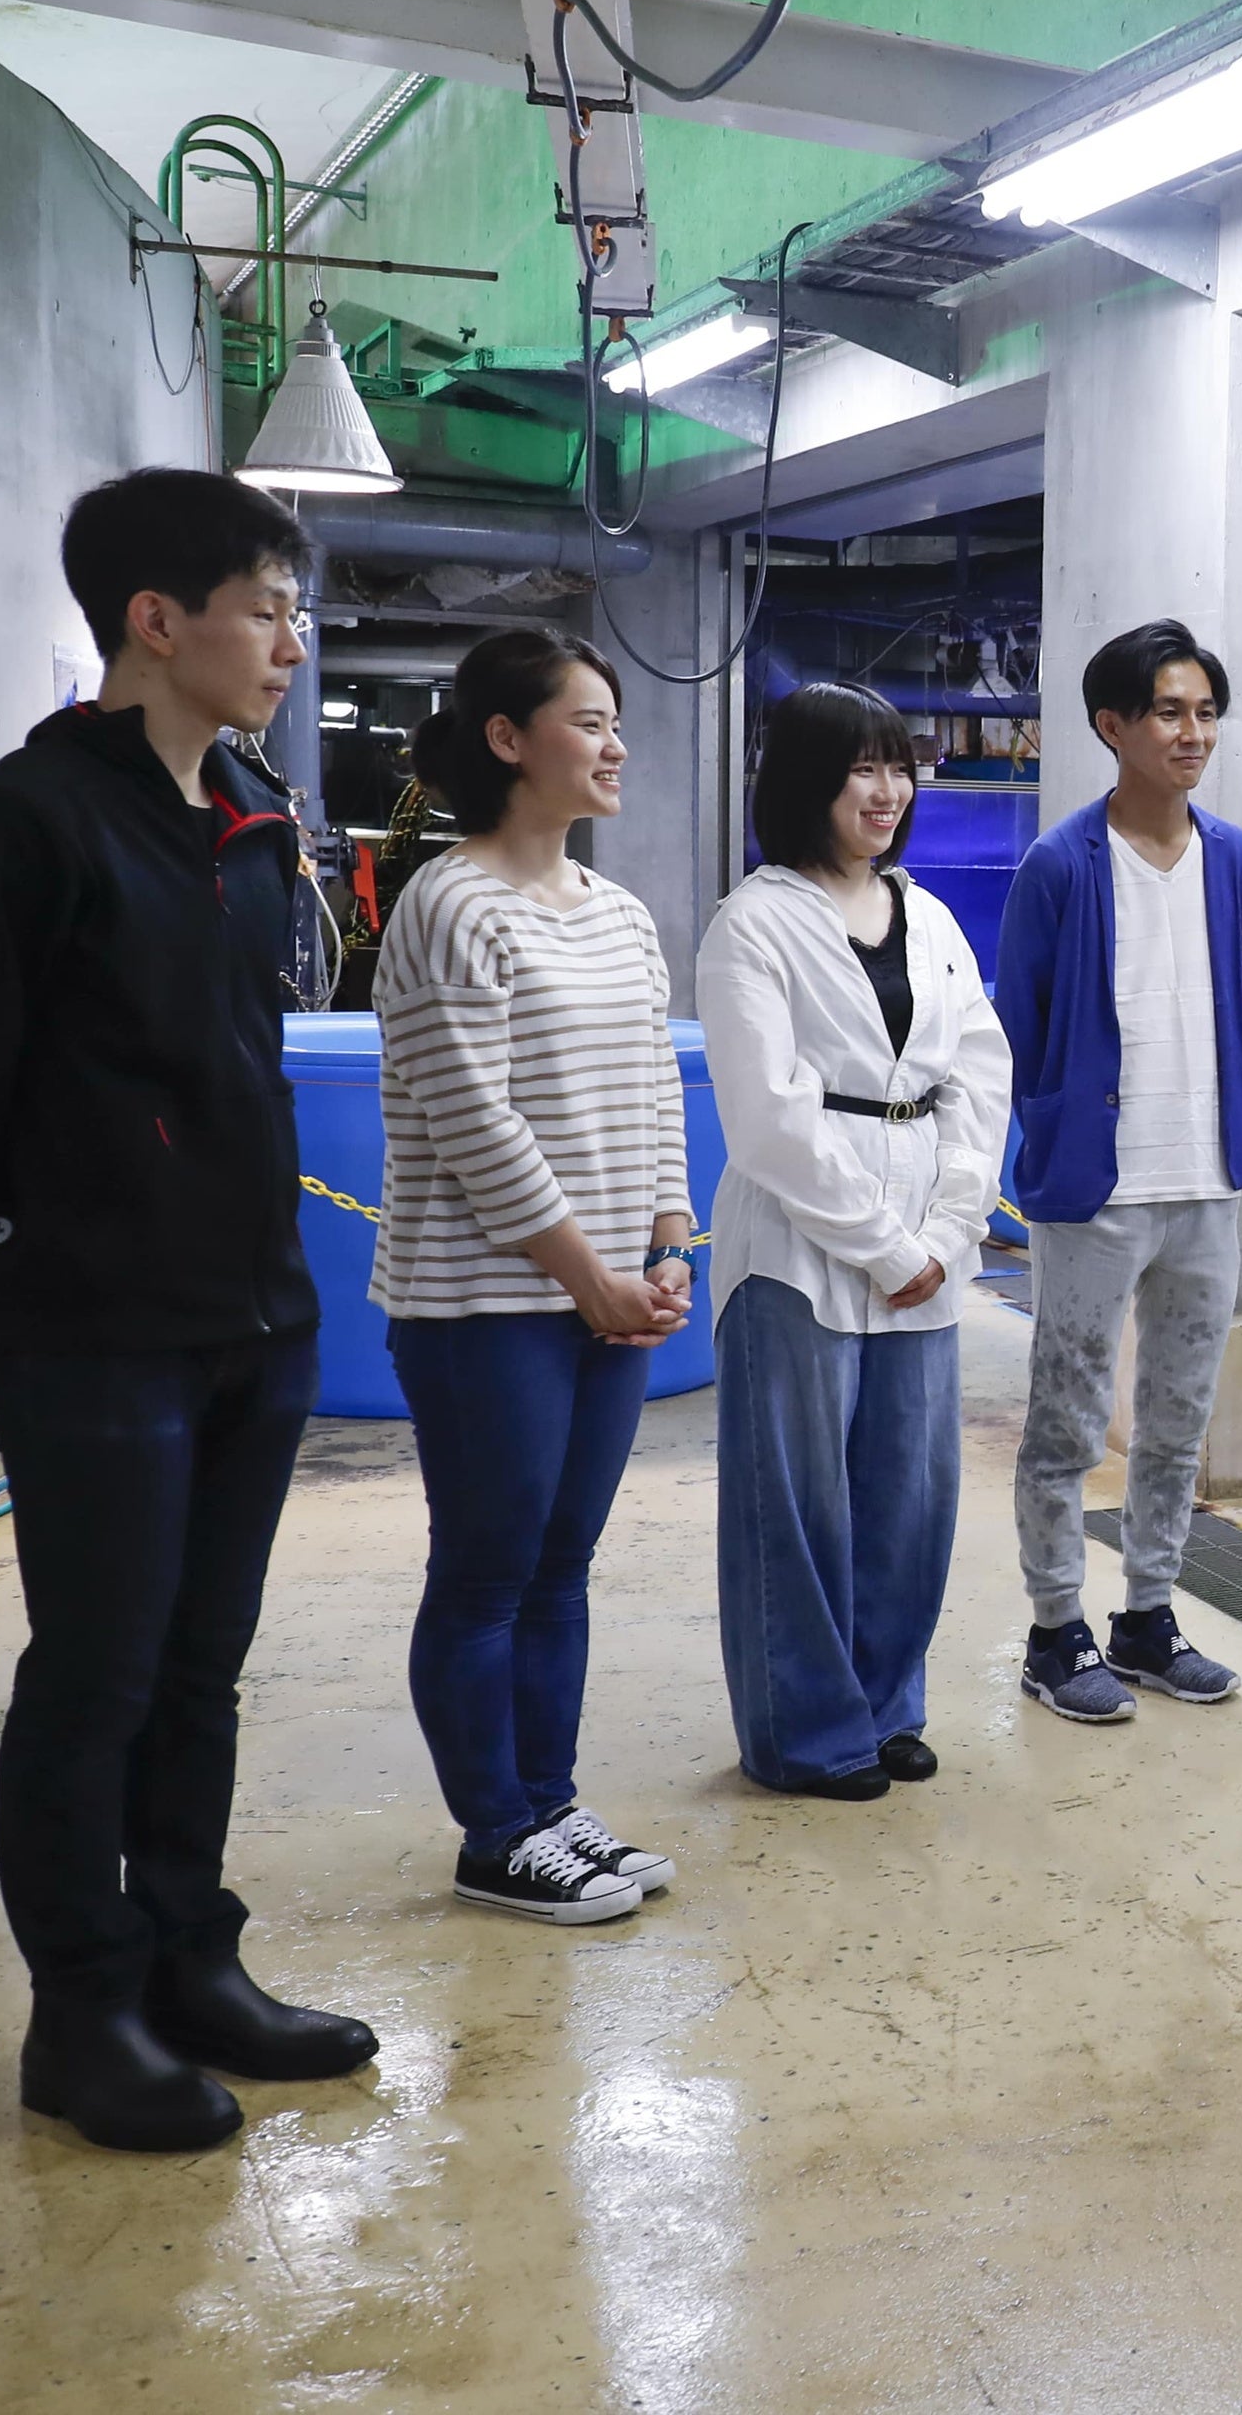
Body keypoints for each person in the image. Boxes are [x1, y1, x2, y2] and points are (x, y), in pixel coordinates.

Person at [0, 469, 377, 2151]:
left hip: (251, 1318)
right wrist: (5, 1295)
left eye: (296, 610)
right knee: (95, 1675)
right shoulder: (20, 831)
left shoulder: (241, 816)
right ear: (158, 623)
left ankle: (184, 1962)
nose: (292, 642)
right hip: (93, 1333)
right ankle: (79, 2018)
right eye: (266, 607)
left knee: (197, 1672)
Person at [372, 629, 694, 1925]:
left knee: (562, 1570)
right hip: (483, 1307)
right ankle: (493, 1831)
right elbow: (476, 1125)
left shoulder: (619, 916)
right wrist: (590, 1277)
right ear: (507, 740)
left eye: (618, 723)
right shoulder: (449, 906)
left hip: (610, 1298)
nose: (616, 746)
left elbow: (657, 1088)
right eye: (589, 722)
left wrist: (666, 1247)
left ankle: (551, 1805)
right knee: (490, 1573)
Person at [699, 683, 1009, 1798]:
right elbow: (769, 1119)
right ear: (804, 783)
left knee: (910, 1494)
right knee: (797, 1504)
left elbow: (979, 1067)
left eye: (900, 765)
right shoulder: (755, 922)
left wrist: (952, 1219)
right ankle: (803, 1729)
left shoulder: (926, 915)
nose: (887, 791)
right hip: (797, 1249)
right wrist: (887, 1244)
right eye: (860, 769)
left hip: (928, 1233)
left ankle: (886, 1706)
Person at [997, 618, 1242, 1721]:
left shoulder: (1241, 863)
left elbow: (1232, 997)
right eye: (1168, 710)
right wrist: (1059, 1133)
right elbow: (1020, 1022)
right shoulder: (1059, 865)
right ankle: (1055, 1628)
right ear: (1113, 725)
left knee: (1177, 1418)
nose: (1191, 731)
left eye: (1205, 710)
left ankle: (1148, 1615)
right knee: (1065, 1418)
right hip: (1094, 1190)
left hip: (1206, 1182)